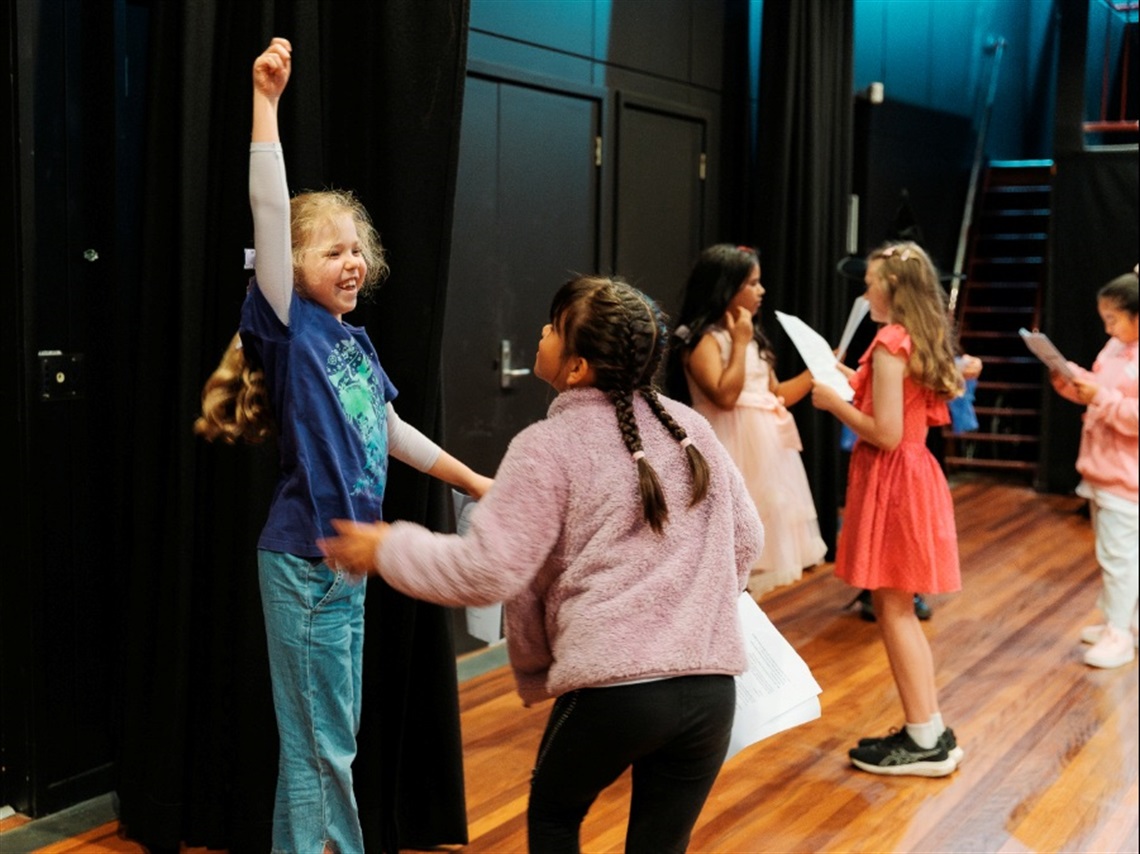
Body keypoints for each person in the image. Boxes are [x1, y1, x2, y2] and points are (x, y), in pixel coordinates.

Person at [319, 275, 766, 854]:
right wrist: (688, 608)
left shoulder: (547, 446)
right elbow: (747, 538)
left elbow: (489, 569)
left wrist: (386, 549)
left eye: (553, 327)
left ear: (576, 367)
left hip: (615, 691)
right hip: (711, 692)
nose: (541, 332)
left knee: (555, 817)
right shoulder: (690, 428)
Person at [193, 38, 492, 854]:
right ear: (289, 266)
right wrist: (266, 103)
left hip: (345, 569)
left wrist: (474, 481)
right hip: (306, 564)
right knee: (321, 750)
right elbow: (265, 206)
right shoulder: (288, 325)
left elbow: (386, 431)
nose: (353, 261)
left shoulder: (351, 345)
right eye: (333, 249)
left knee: (329, 745)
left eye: (357, 248)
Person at [810, 240, 964, 777]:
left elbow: (886, 433)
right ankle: (928, 729)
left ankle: (925, 737)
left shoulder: (890, 343)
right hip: (908, 476)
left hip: (895, 480)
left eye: (872, 280)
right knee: (896, 608)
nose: (865, 289)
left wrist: (835, 403)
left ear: (893, 288)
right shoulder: (908, 340)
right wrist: (842, 375)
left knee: (894, 609)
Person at [665, 244, 827, 597]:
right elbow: (725, 396)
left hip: (766, 456)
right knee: (727, 543)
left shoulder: (751, 336)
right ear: (726, 287)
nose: (761, 291)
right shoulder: (708, 339)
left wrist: (820, 370)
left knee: (757, 541)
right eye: (752, 283)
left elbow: (775, 393)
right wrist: (739, 343)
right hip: (728, 449)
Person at [1048, 270, 1138, 669]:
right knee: (1112, 554)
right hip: (1102, 467)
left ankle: (1120, 633)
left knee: (1119, 555)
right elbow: (1100, 388)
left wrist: (1100, 396)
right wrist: (1070, 379)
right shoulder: (1115, 348)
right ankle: (1120, 622)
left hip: (1128, 475)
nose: (1109, 327)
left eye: (1115, 319)